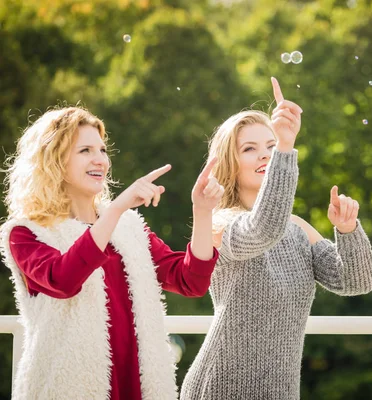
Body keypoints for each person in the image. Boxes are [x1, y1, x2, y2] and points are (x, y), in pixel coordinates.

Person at [0, 106, 224, 400]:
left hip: (139, 389)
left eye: (103, 150)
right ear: (53, 160)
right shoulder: (26, 232)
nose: (100, 159)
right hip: (66, 389)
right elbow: (63, 280)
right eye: (85, 150)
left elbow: (190, 281)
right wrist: (117, 208)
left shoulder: (129, 227)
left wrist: (203, 212)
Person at [180, 77, 372, 400]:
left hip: (280, 392)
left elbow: (356, 281)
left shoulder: (298, 228)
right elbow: (262, 230)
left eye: (271, 147)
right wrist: (285, 147)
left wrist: (348, 230)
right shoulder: (220, 223)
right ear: (230, 162)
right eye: (250, 149)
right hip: (219, 388)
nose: (265, 155)